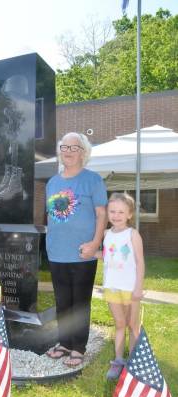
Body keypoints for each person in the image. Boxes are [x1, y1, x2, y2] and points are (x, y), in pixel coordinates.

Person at [46, 132, 107, 367]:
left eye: (74, 147)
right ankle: (64, 342)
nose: (68, 151)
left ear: (83, 153)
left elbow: (101, 215)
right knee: (62, 302)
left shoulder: (93, 180)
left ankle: (78, 347)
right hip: (56, 252)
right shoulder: (53, 182)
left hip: (84, 253)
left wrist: (94, 244)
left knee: (80, 302)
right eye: (64, 147)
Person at [96, 192, 144, 380]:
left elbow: (140, 262)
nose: (116, 215)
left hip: (130, 288)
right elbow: (108, 256)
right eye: (112, 211)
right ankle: (118, 361)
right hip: (112, 288)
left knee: (133, 326)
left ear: (129, 214)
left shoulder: (133, 235)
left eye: (121, 212)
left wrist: (139, 287)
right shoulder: (107, 235)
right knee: (119, 324)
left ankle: (134, 362)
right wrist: (92, 253)